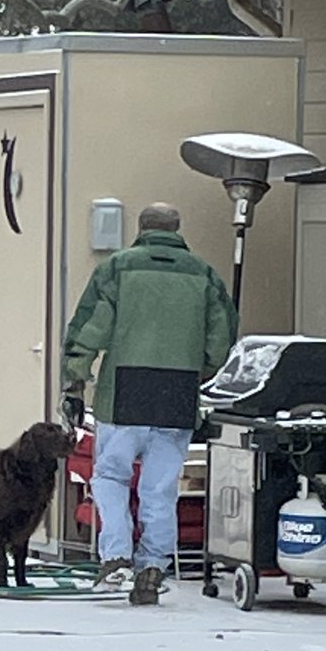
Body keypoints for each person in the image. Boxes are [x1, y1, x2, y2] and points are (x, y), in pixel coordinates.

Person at [60, 203, 237, 605]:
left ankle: (116, 556)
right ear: (177, 229)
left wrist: (74, 380)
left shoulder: (117, 268)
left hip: (125, 389)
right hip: (178, 390)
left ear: (141, 228)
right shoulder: (204, 274)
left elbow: (89, 328)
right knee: (159, 487)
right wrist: (200, 371)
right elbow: (221, 337)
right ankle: (153, 564)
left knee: (111, 476)